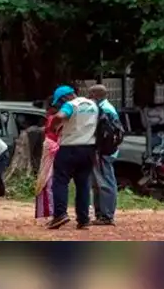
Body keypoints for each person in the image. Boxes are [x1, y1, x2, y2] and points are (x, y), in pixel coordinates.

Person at [46, 85, 99, 230]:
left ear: (65, 97)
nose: (60, 105)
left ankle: (60, 214)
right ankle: (83, 219)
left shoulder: (70, 105)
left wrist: (54, 126)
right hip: (88, 148)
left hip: (69, 148)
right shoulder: (93, 105)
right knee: (83, 184)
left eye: (60, 102)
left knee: (60, 182)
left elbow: (59, 116)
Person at [88, 84, 120, 226]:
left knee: (105, 182)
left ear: (95, 94)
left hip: (103, 151)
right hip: (107, 150)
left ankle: (106, 215)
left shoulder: (104, 110)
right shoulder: (106, 107)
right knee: (99, 182)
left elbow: (105, 134)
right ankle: (101, 213)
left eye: (90, 94)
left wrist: (99, 149)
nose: (88, 97)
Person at [34, 102, 61, 221]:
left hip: (52, 152)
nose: (46, 111)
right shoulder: (55, 119)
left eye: (47, 109)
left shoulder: (53, 119)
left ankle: (50, 212)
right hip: (54, 152)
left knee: (47, 182)